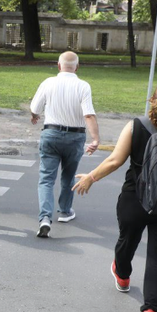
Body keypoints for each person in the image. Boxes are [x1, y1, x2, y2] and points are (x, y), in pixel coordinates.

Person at [72, 81, 157, 312]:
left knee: (127, 241)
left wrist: (90, 177)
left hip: (136, 199)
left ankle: (122, 273)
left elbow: (115, 160)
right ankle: (151, 311)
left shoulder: (135, 126)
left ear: (152, 99)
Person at [30, 51, 100, 238]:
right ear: (77, 67)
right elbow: (88, 114)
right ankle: (65, 211)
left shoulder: (48, 83)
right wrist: (95, 139)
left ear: (58, 65)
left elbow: (35, 108)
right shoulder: (83, 86)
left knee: (46, 178)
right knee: (69, 176)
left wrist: (35, 115)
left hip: (51, 134)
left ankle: (45, 218)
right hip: (74, 137)